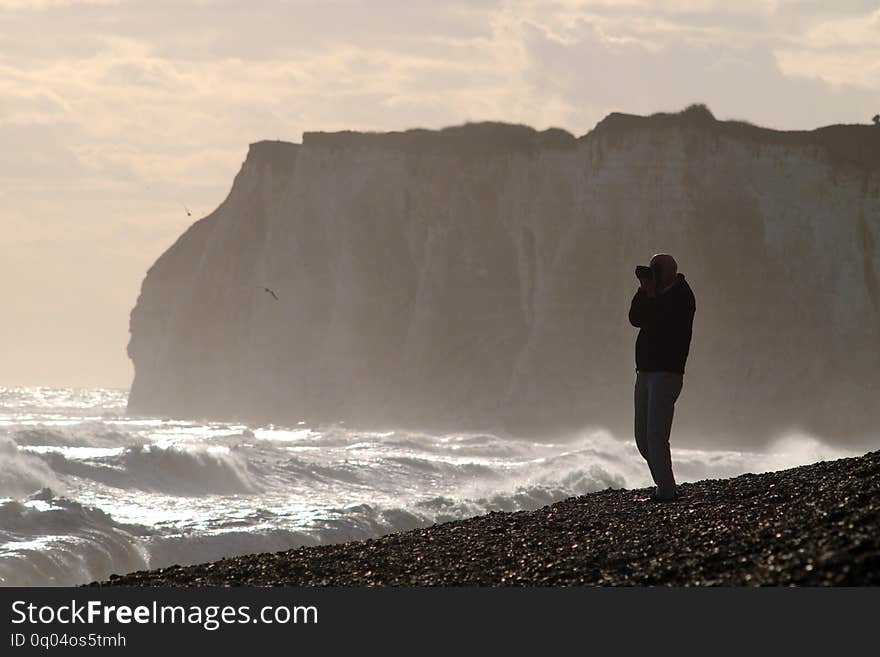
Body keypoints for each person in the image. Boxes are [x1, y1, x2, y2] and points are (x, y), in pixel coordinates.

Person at [627, 253, 696, 501]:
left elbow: (662, 324)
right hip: (645, 372)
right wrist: (645, 292)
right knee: (643, 438)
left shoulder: (682, 296)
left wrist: (653, 296)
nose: (652, 274)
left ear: (668, 272)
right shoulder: (653, 293)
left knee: (656, 435)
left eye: (656, 270)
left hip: (666, 373)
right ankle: (665, 486)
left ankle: (666, 491)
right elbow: (635, 318)